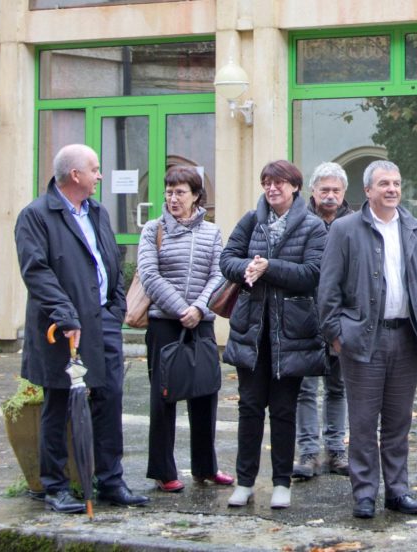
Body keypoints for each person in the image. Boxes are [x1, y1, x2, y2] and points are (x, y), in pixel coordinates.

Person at [14, 144, 149, 513]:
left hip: (102, 322)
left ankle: (111, 481)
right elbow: (36, 271)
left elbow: (111, 259)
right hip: (61, 328)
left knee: (110, 399)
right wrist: (66, 313)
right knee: (59, 404)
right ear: (76, 175)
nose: (99, 175)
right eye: (95, 169)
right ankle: (54, 486)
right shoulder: (36, 215)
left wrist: (116, 307)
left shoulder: (98, 212)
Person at [318, 160, 417, 519]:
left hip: (406, 338)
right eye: (384, 184)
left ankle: (398, 491)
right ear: (368, 190)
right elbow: (327, 289)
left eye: (397, 183)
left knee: (398, 421)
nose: (392, 189)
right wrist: (336, 334)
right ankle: (364, 493)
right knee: (362, 421)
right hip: (362, 339)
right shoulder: (344, 229)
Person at [220, 160, 327, 510]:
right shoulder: (252, 220)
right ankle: (245, 481)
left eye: (280, 182)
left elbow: (313, 273)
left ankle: (282, 482)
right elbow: (227, 259)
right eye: (267, 182)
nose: (272, 188)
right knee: (249, 408)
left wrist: (269, 268)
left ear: (295, 187)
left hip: (292, 333)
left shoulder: (312, 226)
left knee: (283, 409)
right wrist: (245, 267)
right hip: (252, 329)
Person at [138, 165, 233, 492]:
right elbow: (149, 275)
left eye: (180, 192)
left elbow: (219, 274)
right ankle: (164, 471)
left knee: (205, 394)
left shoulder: (211, 232)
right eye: (169, 191)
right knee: (163, 398)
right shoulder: (153, 230)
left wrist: (199, 309)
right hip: (165, 324)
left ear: (196, 196)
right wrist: (181, 309)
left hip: (201, 324)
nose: (172, 198)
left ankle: (206, 468)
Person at [292, 162, 352, 480]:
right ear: (312, 192)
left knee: (338, 387)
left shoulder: (356, 223)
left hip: (341, 318)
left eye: (335, 191)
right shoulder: (298, 222)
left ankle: (336, 451)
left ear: (344, 194)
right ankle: (308, 453)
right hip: (303, 318)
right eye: (324, 190)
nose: (330, 196)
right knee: (304, 389)